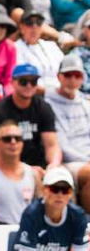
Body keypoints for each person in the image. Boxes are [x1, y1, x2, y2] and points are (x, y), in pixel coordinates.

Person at [0, 64, 62, 168]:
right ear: (12, 82)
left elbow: (51, 145)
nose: (29, 86)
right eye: (23, 81)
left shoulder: (43, 108)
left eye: (33, 82)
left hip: (40, 167)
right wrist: (24, 171)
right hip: (9, 168)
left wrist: (53, 165)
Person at [0, 119, 44, 225]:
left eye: (18, 138)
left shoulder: (32, 174)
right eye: (7, 139)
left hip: (27, 235)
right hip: (0, 235)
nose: (13, 142)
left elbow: (41, 211)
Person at [47, 54, 90, 207]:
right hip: (68, 161)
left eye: (77, 75)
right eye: (68, 75)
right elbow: (61, 145)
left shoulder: (85, 103)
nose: (72, 80)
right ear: (59, 77)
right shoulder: (49, 103)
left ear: (83, 78)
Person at [15, 11, 65, 91]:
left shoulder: (52, 46)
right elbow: (22, 79)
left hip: (60, 92)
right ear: (21, 27)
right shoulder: (15, 48)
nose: (34, 26)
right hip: (34, 93)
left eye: (38, 23)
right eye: (29, 23)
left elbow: (66, 69)